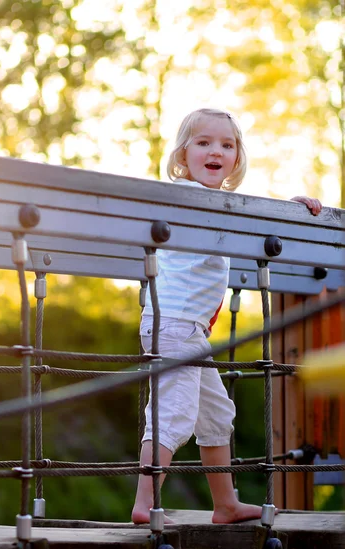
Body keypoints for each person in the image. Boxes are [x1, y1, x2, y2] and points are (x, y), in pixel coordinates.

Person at [131, 108, 322, 525]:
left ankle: (225, 503)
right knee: (172, 413)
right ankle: (145, 501)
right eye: (203, 143)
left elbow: (258, 224)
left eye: (226, 144)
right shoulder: (182, 196)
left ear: (236, 158)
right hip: (173, 324)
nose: (215, 150)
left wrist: (289, 208)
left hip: (191, 330)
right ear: (183, 156)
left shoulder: (224, 205)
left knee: (217, 416)